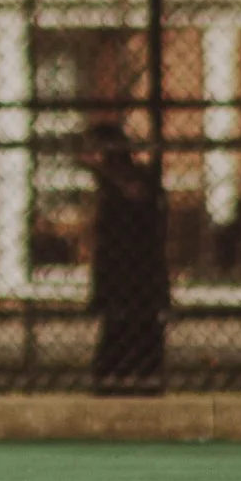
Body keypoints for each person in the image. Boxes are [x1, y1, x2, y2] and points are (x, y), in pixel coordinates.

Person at [86, 124, 168, 396]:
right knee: (117, 339)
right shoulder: (109, 186)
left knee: (139, 337)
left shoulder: (135, 183)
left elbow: (138, 197)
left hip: (139, 274)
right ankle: (116, 386)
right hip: (118, 275)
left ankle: (139, 384)